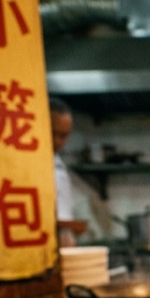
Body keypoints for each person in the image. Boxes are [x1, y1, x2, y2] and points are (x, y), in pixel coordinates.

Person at [49, 97, 84, 247]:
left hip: (63, 246)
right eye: (53, 133)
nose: (58, 141)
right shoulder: (29, 165)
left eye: (64, 136)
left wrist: (71, 227)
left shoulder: (58, 163)